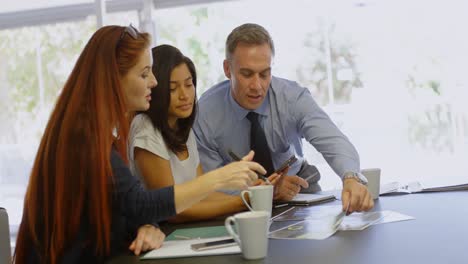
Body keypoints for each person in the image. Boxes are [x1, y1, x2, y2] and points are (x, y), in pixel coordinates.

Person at [14, 25, 264, 264]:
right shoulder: (83, 139)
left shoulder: (100, 136)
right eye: (144, 74)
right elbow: (139, 203)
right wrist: (220, 178)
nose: (154, 82)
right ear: (112, 79)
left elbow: (126, 206)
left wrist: (148, 226)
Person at [193, 23, 373, 214]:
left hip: (296, 186)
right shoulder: (204, 115)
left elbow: (332, 140)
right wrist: (264, 191)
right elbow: (212, 185)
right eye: (247, 74)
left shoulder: (292, 98)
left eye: (264, 74)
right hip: (236, 199)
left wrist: (351, 177)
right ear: (228, 69)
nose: (257, 86)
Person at [128, 44, 274, 223]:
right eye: (173, 89)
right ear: (155, 90)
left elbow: (202, 195)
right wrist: (242, 202)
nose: (185, 95)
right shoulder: (145, 127)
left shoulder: (183, 128)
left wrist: (250, 194)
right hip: (160, 235)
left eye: (189, 85)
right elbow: (171, 210)